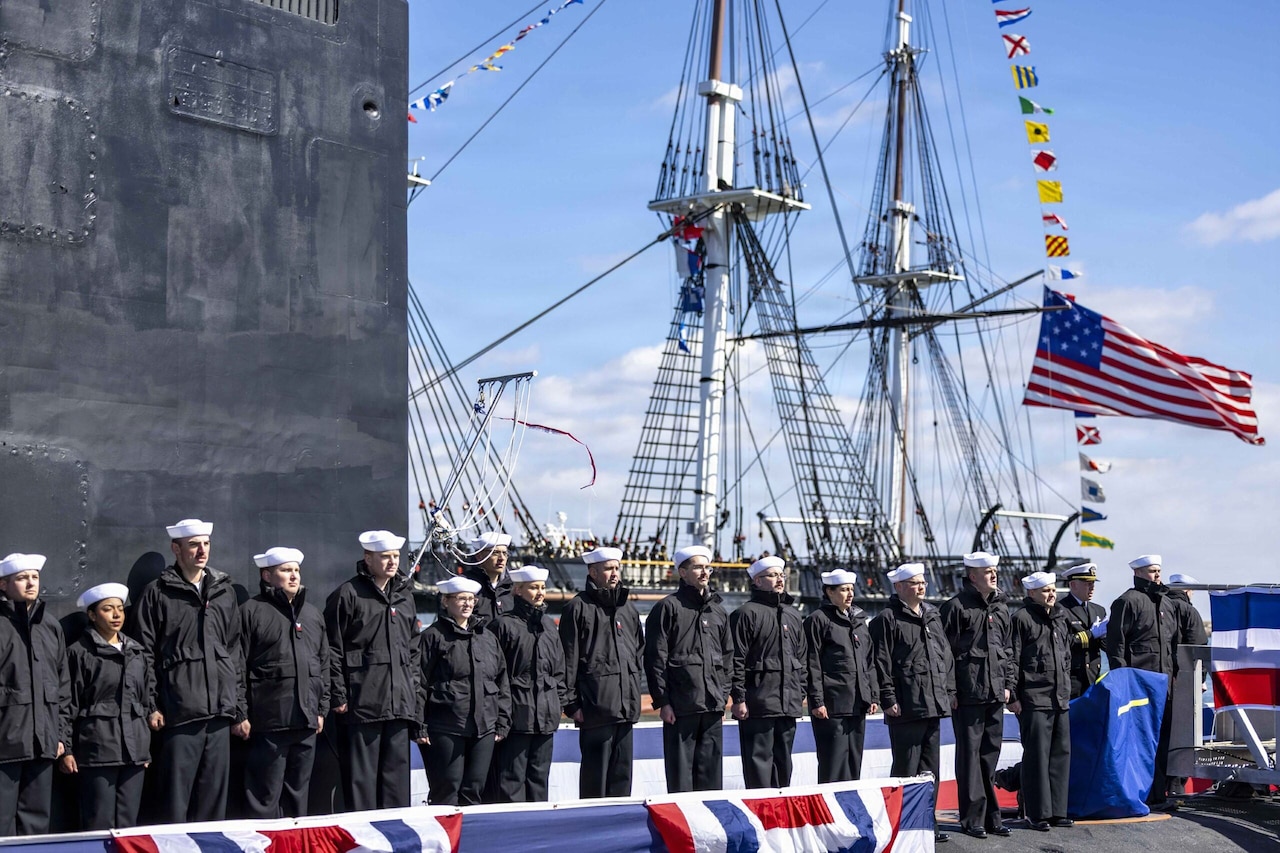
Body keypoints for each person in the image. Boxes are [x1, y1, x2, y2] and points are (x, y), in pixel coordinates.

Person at [134, 519, 246, 823]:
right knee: (175, 802)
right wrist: (151, 704)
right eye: (194, 544)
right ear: (176, 548)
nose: (202, 551)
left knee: (213, 804)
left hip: (219, 714)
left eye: (206, 544)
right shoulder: (157, 593)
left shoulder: (224, 592)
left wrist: (239, 708)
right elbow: (144, 654)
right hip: (180, 712)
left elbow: (234, 651)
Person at [324, 530, 419, 811]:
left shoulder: (405, 598)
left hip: (399, 705)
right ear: (368, 558)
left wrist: (413, 695)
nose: (392, 562)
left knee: (396, 783)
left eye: (396, 556)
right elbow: (332, 648)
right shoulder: (347, 595)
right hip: (362, 704)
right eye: (385, 556)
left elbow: (413, 652)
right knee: (361, 783)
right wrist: (339, 695)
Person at [240, 547, 329, 818]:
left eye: (296, 570)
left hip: (305, 722)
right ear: (267, 575)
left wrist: (321, 709)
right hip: (269, 721)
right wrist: (240, 713)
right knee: (265, 796)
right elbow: (237, 664)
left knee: (298, 795)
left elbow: (323, 663)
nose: (294, 576)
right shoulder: (251, 611)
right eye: (286, 570)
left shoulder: (312, 615)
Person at [870, 562, 954, 844]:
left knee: (931, 769)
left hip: (933, 703)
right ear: (900, 587)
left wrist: (948, 691)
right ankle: (900, 824)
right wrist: (888, 698)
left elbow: (945, 656)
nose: (922, 587)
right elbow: (881, 662)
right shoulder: (887, 619)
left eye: (923, 583)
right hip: (906, 705)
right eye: (916, 583)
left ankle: (927, 822)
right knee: (906, 769)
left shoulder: (932, 614)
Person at [62, 583, 152, 830]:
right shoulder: (79, 653)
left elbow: (144, 700)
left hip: (134, 752)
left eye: (120, 610)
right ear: (92, 615)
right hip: (98, 749)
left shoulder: (137, 652)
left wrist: (142, 748)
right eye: (107, 609)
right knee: (98, 821)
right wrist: (67, 749)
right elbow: (68, 702)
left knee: (128, 825)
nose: (116, 615)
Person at [644, 545, 732, 793]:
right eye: (698, 567)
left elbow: (727, 658)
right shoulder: (668, 609)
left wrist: (722, 696)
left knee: (712, 777)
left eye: (707, 567)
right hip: (681, 706)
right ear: (682, 572)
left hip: (712, 705)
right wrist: (663, 701)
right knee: (681, 776)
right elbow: (655, 658)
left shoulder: (718, 612)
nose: (705, 573)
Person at [416, 576, 510, 805]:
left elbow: (501, 681)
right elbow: (419, 682)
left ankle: (470, 838)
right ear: (446, 602)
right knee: (446, 789)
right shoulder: (433, 637)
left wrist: (502, 721)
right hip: (446, 726)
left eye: (471, 599)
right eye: (461, 599)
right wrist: (419, 724)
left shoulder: (487, 638)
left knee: (474, 790)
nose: (468, 604)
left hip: (484, 727)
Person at [559, 546, 644, 798]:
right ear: (593, 572)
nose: (615, 573)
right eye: (608, 569)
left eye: (617, 568)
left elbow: (637, 652)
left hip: (626, 709)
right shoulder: (577, 608)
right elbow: (568, 659)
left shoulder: (627, 610)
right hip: (595, 709)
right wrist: (572, 705)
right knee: (595, 780)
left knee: (622, 776)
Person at [939, 552, 1013, 840]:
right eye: (987, 571)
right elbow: (945, 653)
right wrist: (951, 691)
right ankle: (972, 819)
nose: (993, 575)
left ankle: (992, 816)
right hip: (968, 693)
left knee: (989, 757)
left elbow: (1007, 651)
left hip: (995, 693)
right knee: (969, 758)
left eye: (994, 570)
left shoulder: (1001, 607)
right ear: (972, 576)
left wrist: (1008, 685)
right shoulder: (956, 607)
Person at [0, 554, 70, 835]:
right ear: (3, 584)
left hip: (44, 741)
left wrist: (60, 735)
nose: (31, 583)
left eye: (35, 577)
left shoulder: (51, 627)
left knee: (36, 824)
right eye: (22, 578)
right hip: (5, 741)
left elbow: (63, 687)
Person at [1106, 554, 1179, 807]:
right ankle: (1142, 793)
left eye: (1159, 571)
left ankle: (1159, 793)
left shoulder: (1167, 605)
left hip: (1165, 685)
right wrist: (1122, 680)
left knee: (1163, 741)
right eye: (1151, 571)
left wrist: (1176, 679)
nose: (1157, 575)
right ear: (1137, 573)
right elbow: (1116, 645)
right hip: (1139, 686)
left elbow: (1174, 646)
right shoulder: (1127, 602)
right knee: (1140, 743)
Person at [729, 555, 805, 788]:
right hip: (758, 702)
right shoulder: (745, 614)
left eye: (781, 575)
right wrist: (739, 698)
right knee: (758, 765)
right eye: (772, 575)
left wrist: (800, 692)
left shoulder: (792, 615)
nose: (780, 579)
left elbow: (801, 657)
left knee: (784, 763)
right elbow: (736, 660)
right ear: (757, 581)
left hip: (787, 703)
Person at [493, 565, 565, 802]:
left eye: (542, 587)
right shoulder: (503, 626)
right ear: (517, 590)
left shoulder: (548, 627)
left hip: (545, 717)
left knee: (539, 778)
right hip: (517, 717)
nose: (540, 593)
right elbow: (496, 674)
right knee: (511, 780)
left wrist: (557, 704)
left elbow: (558, 671)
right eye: (533, 588)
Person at [1009, 571, 1072, 832]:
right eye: (1045, 590)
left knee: (1060, 756)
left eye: (1053, 589)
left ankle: (1057, 811)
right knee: (1037, 757)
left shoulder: (1061, 618)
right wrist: (1012, 695)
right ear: (1032, 593)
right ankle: (1037, 813)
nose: (1052, 594)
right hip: (1034, 698)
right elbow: (1011, 657)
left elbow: (1066, 655)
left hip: (1059, 698)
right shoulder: (1021, 619)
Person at [803, 569, 879, 783]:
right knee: (833, 764)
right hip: (832, 705)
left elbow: (868, 661)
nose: (850, 594)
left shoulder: (858, 621)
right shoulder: (818, 621)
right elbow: (812, 663)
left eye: (851, 589)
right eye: (844, 590)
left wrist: (872, 695)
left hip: (857, 703)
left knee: (854, 763)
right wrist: (817, 701)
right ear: (829, 592)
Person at [1164, 572, 1208, 799]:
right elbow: (1198, 646)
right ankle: (1177, 785)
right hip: (1183, 680)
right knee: (1182, 733)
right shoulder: (1189, 611)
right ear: (1189, 591)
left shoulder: (1159, 606)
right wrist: (1200, 680)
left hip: (1159, 678)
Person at [1059, 563, 1108, 699]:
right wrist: (1091, 634)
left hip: (1094, 677)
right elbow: (1062, 642)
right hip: (1071, 677)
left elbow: (1105, 645)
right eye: (1087, 583)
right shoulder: (1060, 610)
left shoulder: (1099, 610)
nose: (1092, 587)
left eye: (1093, 583)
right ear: (1073, 585)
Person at [461, 532, 514, 622]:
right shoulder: (465, 586)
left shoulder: (512, 587)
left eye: (505, 553)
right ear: (479, 556)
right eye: (495, 553)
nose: (502, 558)